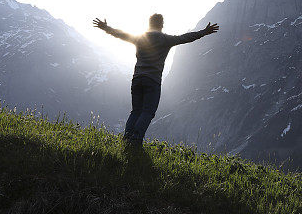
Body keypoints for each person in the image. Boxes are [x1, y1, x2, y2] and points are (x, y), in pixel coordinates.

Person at [93, 13, 219, 145]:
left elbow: (120, 34)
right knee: (148, 111)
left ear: (149, 24)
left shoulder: (139, 38)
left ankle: (127, 138)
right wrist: (204, 32)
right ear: (162, 25)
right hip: (152, 80)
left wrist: (105, 28)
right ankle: (136, 140)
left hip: (137, 79)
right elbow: (186, 38)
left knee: (136, 111)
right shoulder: (166, 39)